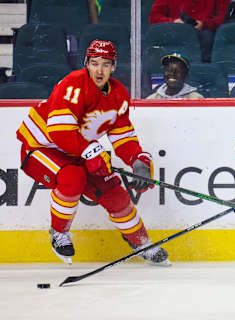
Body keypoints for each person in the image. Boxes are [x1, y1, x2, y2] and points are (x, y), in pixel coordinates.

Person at [16, 40, 171, 266]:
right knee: (72, 177)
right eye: (95, 63)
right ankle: (59, 233)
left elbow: (122, 135)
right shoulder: (73, 85)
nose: (100, 70)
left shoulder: (118, 94)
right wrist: (91, 152)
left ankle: (141, 242)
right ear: (86, 63)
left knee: (115, 193)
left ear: (113, 67)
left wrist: (137, 160)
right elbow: (60, 132)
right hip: (42, 146)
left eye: (106, 64)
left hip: (77, 151)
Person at [149, 0, 230, 62]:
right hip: (175, 36)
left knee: (207, 36)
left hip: (203, 38)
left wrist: (204, 24)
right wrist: (173, 22)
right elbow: (154, 17)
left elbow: (223, 18)